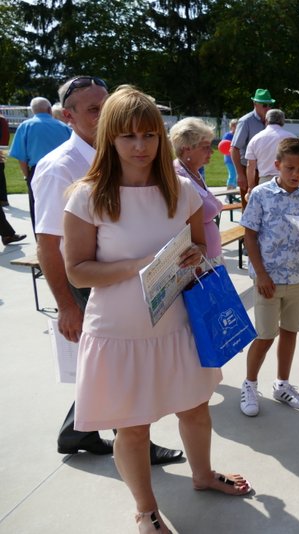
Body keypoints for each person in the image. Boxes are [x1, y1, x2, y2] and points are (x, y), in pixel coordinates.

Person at [63, 86, 250, 532]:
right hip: (120, 334)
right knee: (133, 428)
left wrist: (193, 256)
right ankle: (146, 510)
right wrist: (140, 265)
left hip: (178, 324)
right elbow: (78, 272)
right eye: (128, 136)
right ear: (109, 137)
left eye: (149, 135)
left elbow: (201, 244)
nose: (140, 146)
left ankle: (202, 475)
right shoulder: (88, 196)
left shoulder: (180, 190)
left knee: (196, 408)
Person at [32, 76, 182, 464]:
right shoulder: (60, 167)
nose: (104, 115)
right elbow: (47, 243)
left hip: (125, 274)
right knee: (120, 370)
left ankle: (79, 430)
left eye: (106, 104)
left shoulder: (116, 153)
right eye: (93, 109)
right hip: (89, 279)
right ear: (68, 116)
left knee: (111, 369)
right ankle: (135, 443)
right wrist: (66, 305)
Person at [239, 137, 299, 416]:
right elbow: (250, 235)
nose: (296, 174)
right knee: (265, 335)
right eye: (290, 168)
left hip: (297, 277)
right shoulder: (261, 194)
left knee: (290, 331)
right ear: (277, 165)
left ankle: (282, 384)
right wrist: (261, 274)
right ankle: (250, 384)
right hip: (269, 280)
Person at [8, 96, 71, 232]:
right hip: (63, 168)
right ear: (49, 110)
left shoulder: (25, 126)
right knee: (64, 205)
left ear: (33, 111)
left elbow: (22, 157)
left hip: (37, 170)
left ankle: (41, 239)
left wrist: (27, 176)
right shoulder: (63, 127)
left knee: (37, 208)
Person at [169, 117, 224, 265]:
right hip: (196, 264)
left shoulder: (193, 172)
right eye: (205, 147)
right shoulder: (178, 176)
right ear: (186, 148)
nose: (211, 152)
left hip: (210, 258)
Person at [231, 88, 275, 202]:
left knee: (267, 207)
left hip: (266, 170)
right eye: (264, 105)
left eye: (270, 105)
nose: (268, 108)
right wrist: (240, 174)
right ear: (255, 104)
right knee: (249, 207)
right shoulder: (245, 121)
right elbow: (234, 148)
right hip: (249, 170)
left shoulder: (272, 121)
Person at [244, 109, 295, 194]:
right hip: (287, 180)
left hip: (265, 181)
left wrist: (251, 186)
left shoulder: (255, 139)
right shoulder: (291, 138)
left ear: (266, 120)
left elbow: (250, 165)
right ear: (283, 121)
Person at [223, 118, 238, 198]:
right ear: (232, 127)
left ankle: (233, 194)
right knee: (232, 175)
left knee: (235, 176)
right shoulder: (228, 135)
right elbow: (224, 146)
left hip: (235, 158)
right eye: (236, 126)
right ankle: (229, 194)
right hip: (229, 159)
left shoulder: (237, 135)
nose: (238, 128)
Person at [1, 112, 9, 206]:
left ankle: (3, 199)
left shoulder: (2, 120)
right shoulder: (3, 120)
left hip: (1, 148)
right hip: (3, 148)